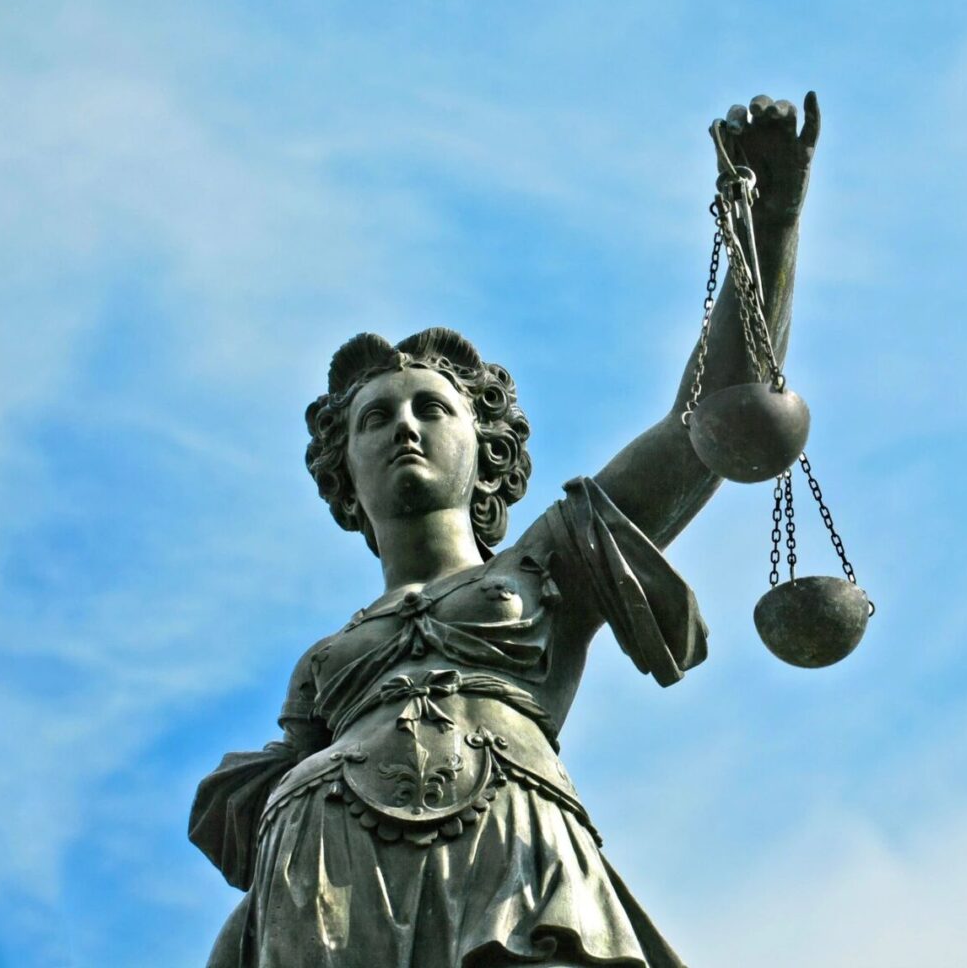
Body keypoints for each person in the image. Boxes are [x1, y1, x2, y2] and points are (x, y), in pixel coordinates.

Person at [190, 94, 819, 967]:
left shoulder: (556, 555)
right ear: (345, 471)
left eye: (430, 409)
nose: (404, 427)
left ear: (482, 448)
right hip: (323, 877)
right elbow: (264, 829)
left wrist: (770, 218)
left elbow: (708, 425)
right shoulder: (326, 660)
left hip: (513, 856)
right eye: (373, 420)